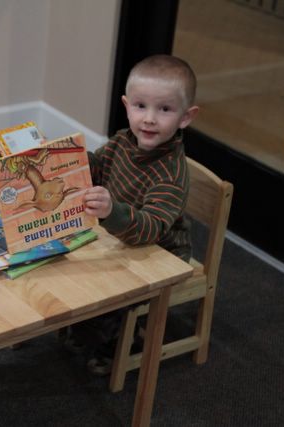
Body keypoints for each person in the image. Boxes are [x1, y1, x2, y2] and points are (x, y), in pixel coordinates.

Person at [67, 54, 199, 375]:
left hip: (160, 250)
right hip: (119, 233)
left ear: (185, 117)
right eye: (140, 106)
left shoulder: (171, 172)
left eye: (164, 109)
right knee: (66, 263)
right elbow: (98, 166)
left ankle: (119, 344)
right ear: (127, 106)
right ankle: (83, 324)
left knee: (107, 291)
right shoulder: (122, 141)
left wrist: (111, 211)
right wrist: (68, 161)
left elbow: (150, 228)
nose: (149, 119)